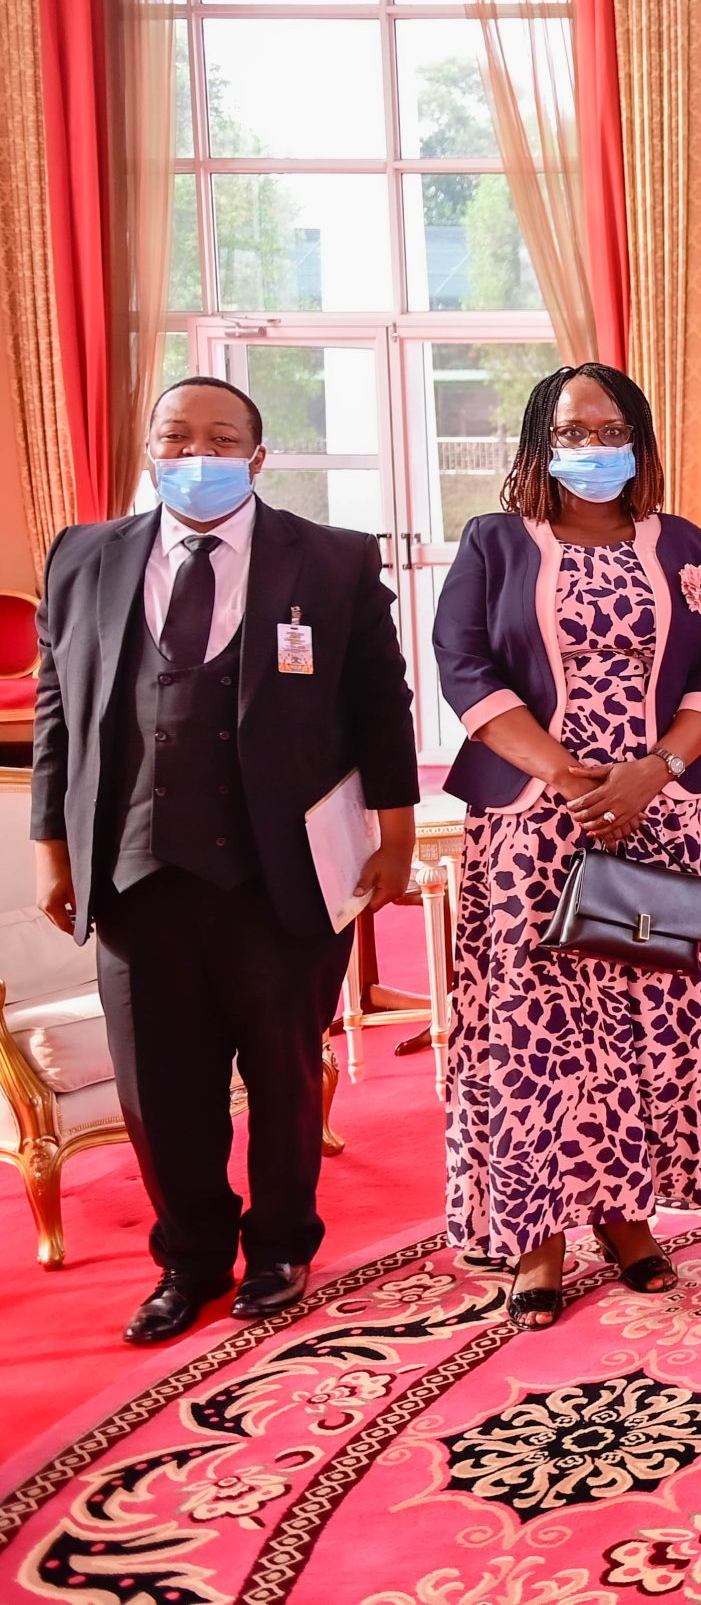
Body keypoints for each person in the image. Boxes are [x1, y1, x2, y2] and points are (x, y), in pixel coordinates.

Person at [29, 376, 419, 1344]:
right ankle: (191, 1258)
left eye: (219, 439)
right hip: (133, 871)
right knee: (159, 1087)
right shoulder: (84, 558)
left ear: (256, 454)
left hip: (277, 872)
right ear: (150, 446)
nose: (194, 455)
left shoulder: (327, 561)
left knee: (284, 1070)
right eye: (176, 436)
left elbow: (381, 703)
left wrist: (395, 833)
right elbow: (55, 714)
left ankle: (282, 1243)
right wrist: (51, 848)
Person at [433, 362, 701, 1330]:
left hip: (665, 821)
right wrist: (575, 781)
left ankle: (628, 1220)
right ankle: (536, 1235)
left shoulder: (683, 543)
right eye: (572, 430)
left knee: (646, 1027)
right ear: (539, 441)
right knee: (541, 1037)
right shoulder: (495, 543)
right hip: (538, 829)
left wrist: (650, 772)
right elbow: (462, 663)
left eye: (608, 427)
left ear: (640, 439)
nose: (591, 446)